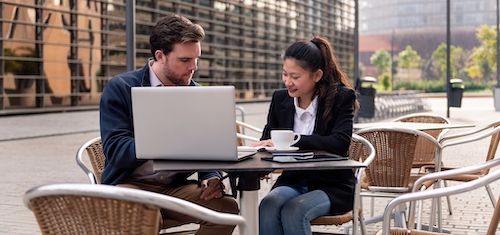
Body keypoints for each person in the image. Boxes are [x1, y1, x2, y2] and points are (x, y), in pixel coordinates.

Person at [99, 14, 239, 235]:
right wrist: (165, 139)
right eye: (185, 60)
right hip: (130, 184)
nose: (193, 67)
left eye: (196, 59)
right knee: (146, 216)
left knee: (227, 210)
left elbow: (209, 146)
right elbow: (116, 151)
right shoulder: (122, 88)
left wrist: (211, 175)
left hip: (174, 187)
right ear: (160, 56)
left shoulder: (197, 94)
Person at [251, 36, 358, 235]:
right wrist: (261, 154)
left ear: (317, 75)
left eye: (295, 76)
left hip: (332, 185)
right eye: (285, 74)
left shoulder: (341, 98)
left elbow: (340, 143)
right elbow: (269, 138)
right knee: (268, 205)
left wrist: (294, 140)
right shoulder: (280, 99)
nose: (288, 82)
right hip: (293, 181)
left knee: (294, 210)